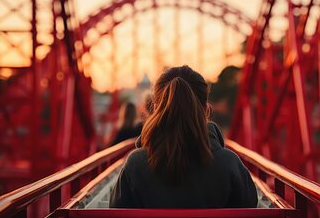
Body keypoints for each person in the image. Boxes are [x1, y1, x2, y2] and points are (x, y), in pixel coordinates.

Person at [109, 65, 257, 208]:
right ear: (205, 110)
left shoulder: (135, 164)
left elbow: (116, 210)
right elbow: (250, 206)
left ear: (155, 110)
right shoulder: (229, 163)